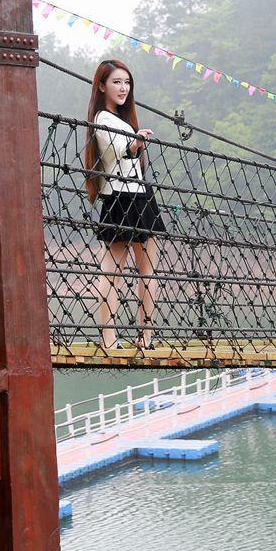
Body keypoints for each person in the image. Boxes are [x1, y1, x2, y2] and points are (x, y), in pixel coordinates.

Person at [84, 59, 165, 349]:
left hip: (132, 196)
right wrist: (136, 142)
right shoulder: (104, 119)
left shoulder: (118, 118)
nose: (123, 88)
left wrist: (134, 140)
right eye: (117, 82)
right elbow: (122, 150)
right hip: (127, 198)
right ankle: (120, 338)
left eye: (127, 82)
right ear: (102, 85)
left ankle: (136, 337)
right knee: (120, 272)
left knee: (137, 272)